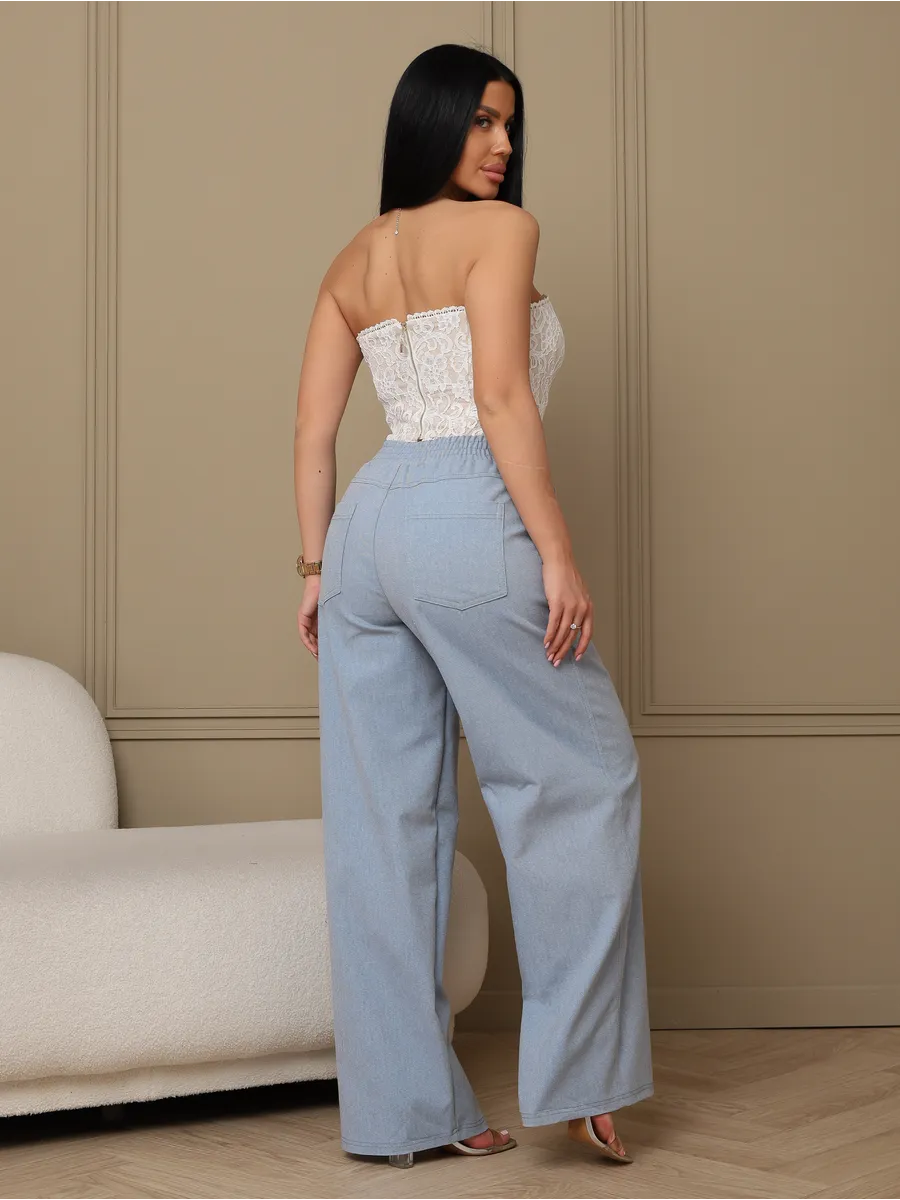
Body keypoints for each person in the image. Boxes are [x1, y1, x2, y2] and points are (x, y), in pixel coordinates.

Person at [292, 43, 653, 1169]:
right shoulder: (502, 231)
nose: (501, 145)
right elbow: (498, 395)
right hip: (465, 510)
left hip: (366, 529)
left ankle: (403, 1118)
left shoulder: (355, 255)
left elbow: (313, 434)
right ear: (433, 120)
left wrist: (314, 569)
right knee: (580, 779)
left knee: (383, 827)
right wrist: (557, 552)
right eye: (482, 121)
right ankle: (583, 1080)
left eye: (509, 124)